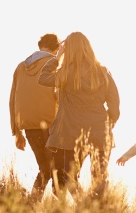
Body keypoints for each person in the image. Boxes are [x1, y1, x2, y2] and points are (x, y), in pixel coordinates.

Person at [38, 32, 120, 201]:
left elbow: (43, 78)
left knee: (67, 177)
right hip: (100, 132)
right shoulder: (103, 72)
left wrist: (57, 57)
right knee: (100, 178)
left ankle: (84, 206)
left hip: (73, 135)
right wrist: (107, 124)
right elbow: (114, 105)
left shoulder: (67, 74)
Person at [9, 33, 60, 203]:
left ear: (40, 46)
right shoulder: (54, 64)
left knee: (46, 168)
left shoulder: (20, 67)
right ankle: (63, 211)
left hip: (29, 126)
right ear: (56, 48)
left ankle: (32, 205)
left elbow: (12, 100)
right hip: (52, 124)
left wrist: (17, 132)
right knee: (57, 169)